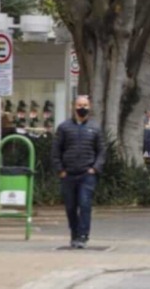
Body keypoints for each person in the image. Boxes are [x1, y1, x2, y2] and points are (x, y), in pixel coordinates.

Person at [51, 96, 105, 249]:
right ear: (74, 106)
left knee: (85, 204)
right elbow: (56, 151)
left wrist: (94, 169)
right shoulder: (64, 128)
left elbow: (101, 151)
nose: (82, 108)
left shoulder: (95, 128)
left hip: (87, 175)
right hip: (68, 174)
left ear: (90, 106)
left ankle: (83, 236)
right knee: (70, 207)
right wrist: (60, 170)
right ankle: (74, 234)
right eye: (80, 105)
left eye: (85, 105)